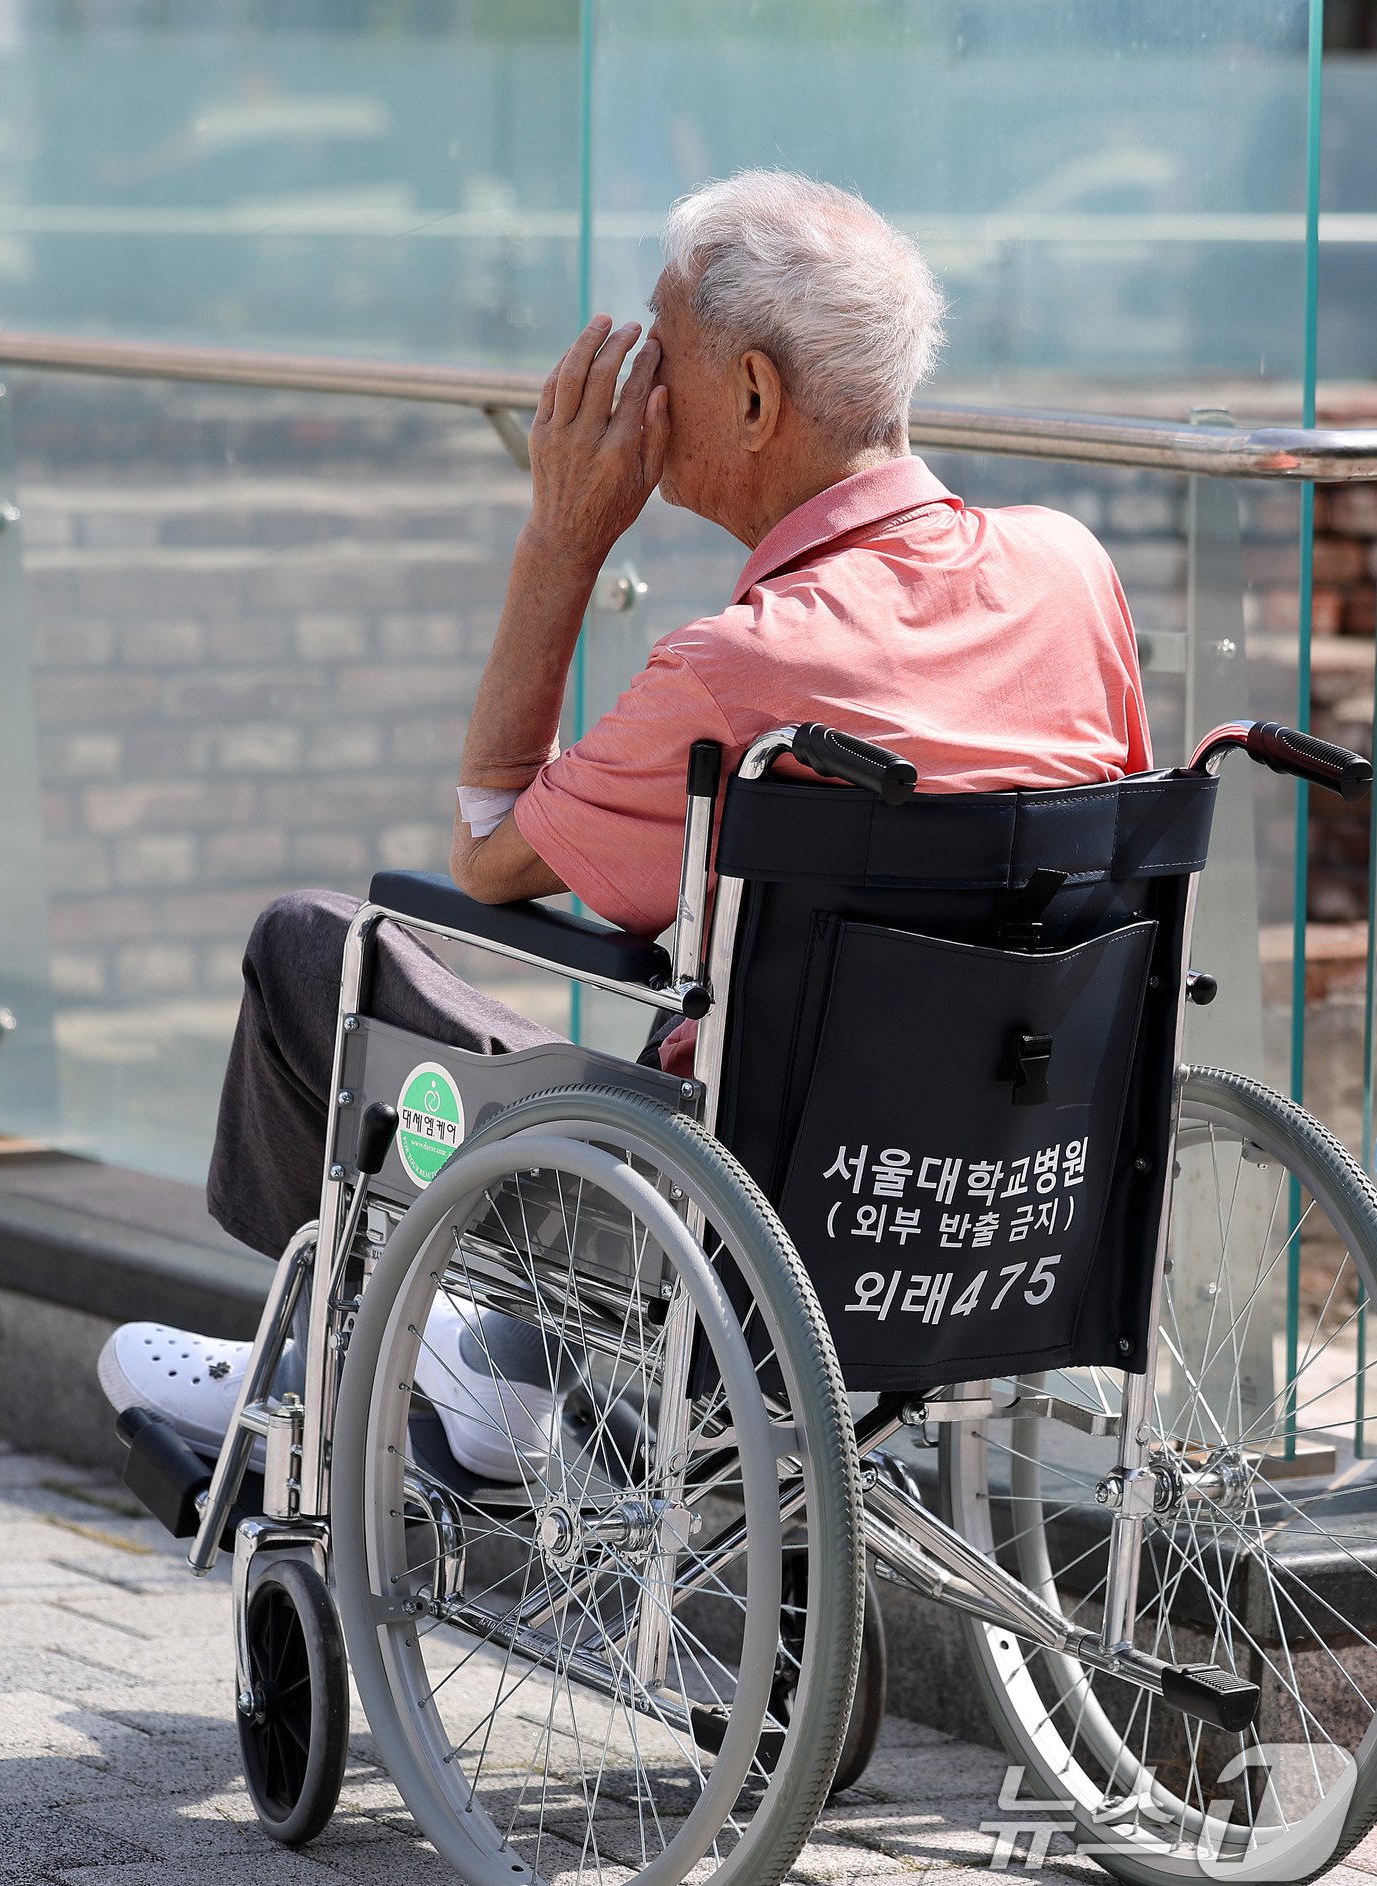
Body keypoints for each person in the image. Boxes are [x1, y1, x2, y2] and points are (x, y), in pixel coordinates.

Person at [97, 168, 1150, 1478]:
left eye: (664, 353)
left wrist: (561, 538)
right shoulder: (1073, 572)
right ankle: (453, 1365)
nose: (639, 389)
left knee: (314, 946)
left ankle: (345, 1362)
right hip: (1005, 1196)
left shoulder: (741, 671)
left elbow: (487, 848)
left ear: (754, 397)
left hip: (723, 1219)